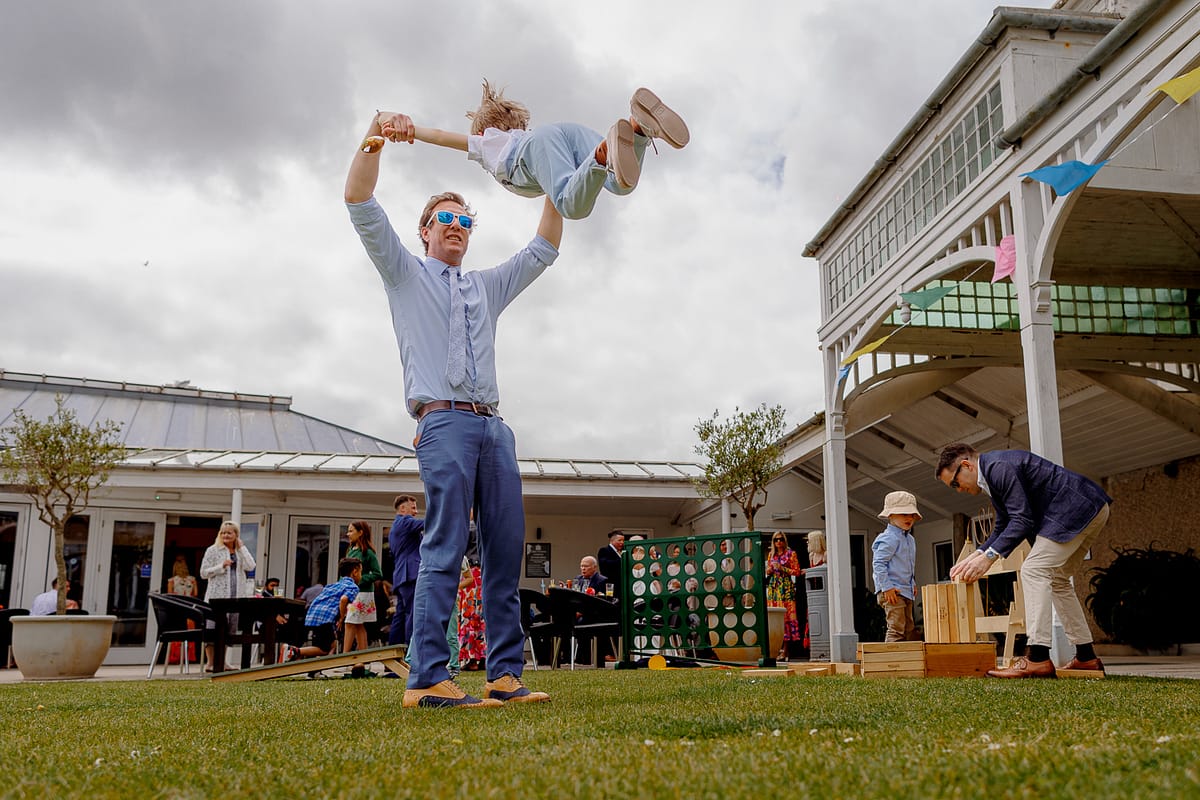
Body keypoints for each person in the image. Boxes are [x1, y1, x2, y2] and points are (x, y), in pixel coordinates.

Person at [346, 110, 559, 708]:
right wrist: (376, 136)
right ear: (425, 230)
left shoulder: (486, 286)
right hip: (441, 422)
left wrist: (557, 185)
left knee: (503, 547)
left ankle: (504, 675)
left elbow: (543, 249)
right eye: (446, 218)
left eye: (466, 219)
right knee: (443, 544)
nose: (458, 225)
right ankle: (427, 680)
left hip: (495, 429)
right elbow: (359, 199)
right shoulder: (404, 273)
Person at [371, 81, 688, 220]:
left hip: (536, 149)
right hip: (564, 131)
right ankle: (639, 128)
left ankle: (602, 153)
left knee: (572, 206)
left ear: (483, 131)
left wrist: (412, 131)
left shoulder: (487, 143)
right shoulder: (533, 136)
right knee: (620, 182)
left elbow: (442, 136)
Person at [937, 443, 1112, 678]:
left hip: (1075, 509)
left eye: (955, 483)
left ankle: (1037, 658)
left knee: (1033, 569)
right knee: (1058, 579)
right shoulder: (993, 474)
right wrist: (977, 555)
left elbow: (1022, 520)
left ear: (966, 465)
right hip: (1091, 508)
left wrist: (989, 558)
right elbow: (1003, 525)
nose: (958, 490)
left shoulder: (999, 469)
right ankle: (1086, 657)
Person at [200, 521, 256, 671]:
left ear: (236, 535)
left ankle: (222, 662)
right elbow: (203, 573)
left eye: (229, 532)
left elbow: (251, 566)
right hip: (216, 598)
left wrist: (242, 547)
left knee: (228, 630)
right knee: (213, 629)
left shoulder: (239, 552)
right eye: (223, 532)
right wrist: (221, 566)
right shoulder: (213, 550)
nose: (225, 535)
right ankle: (211, 663)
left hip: (235, 598)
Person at [284, 558, 362, 661]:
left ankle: (315, 670)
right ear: (355, 572)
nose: (362, 575)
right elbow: (343, 600)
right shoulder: (353, 587)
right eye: (361, 572)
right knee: (324, 649)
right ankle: (294, 651)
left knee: (331, 643)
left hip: (314, 615)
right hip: (325, 619)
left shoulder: (333, 585)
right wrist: (342, 618)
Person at [871, 492, 922, 643]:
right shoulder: (889, 538)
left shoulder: (910, 539)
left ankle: (905, 660)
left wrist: (912, 583)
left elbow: (908, 565)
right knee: (896, 628)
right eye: (904, 514)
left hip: (905, 590)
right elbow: (879, 563)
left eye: (912, 515)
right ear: (890, 515)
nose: (909, 518)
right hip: (891, 591)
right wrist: (886, 587)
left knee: (909, 628)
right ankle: (889, 661)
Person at [343, 521, 382, 677]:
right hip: (351, 592)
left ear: (360, 532)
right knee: (358, 626)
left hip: (363, 593)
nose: (348, 534)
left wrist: (360, 579)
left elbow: (377, 573)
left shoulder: (368, 553)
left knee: (350, 623)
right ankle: (362, 659)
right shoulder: (350, 550)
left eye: (351, 531)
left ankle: (344, 657)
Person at [388, 494, 425, 647]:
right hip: (410, 574)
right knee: (412, 613)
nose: (416, 512)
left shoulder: (395, 527)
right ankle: (411, 653)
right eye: (413, 508)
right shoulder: (405, 521)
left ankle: (394, 654)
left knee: (401, 615)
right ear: (402, 508)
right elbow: (429, 523)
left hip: (401, 576)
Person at [765, 532, 802, 660]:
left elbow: (797, 571)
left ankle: (786, 651)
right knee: (775, 618)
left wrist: (782, 568)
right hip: (774, 588)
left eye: (781, 539)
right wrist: (769, 570)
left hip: (786, 588)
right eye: (776, 540)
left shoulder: (791, 554)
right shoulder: (771, 555)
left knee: (787, 619)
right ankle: (776, 649)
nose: (778, 542)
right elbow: (768, 570)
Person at [457, 559, 487, 672]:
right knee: (482, 617)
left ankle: (473, 659)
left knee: (470, 615)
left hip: (470, 573)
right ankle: (483, 657)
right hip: (484, 572)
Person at [597, 531, 625, 599]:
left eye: (623, 540)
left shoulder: (623, 551)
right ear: (612, 540)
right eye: (619, 540)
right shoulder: (604, 550)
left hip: (622, 586)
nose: (622, 543)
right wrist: (622, 560)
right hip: (610, 585)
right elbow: (605, 565)